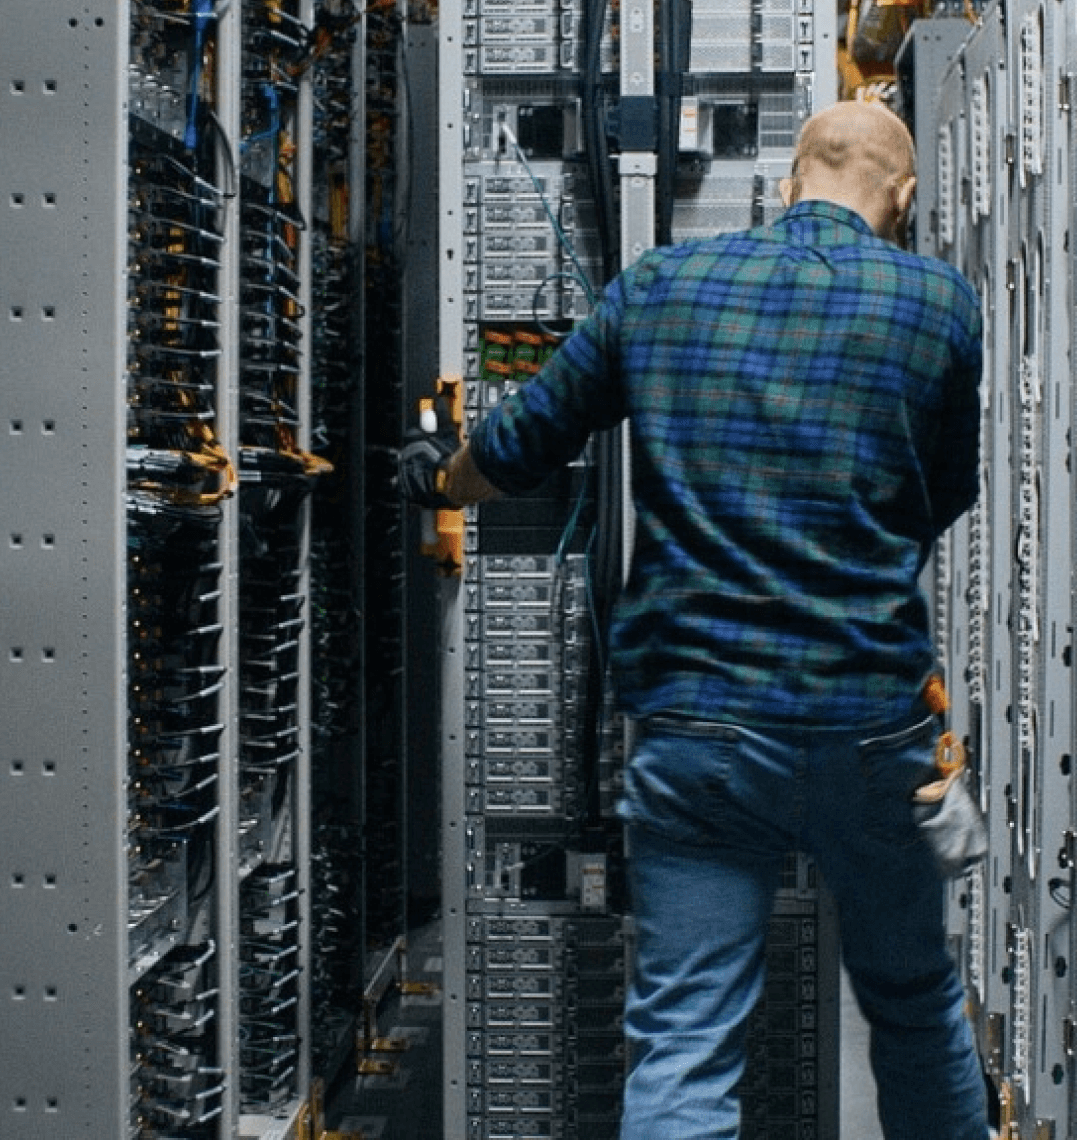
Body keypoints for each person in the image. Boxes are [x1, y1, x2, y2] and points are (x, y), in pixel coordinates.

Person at [409, 99, 988, 1140]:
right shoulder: (940, 304)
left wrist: (439, 478)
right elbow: (941, 496)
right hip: (868, 727)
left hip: (698, 732)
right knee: (913, 1002)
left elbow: (516, 447)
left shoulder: (660, 289)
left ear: (787, 183)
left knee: (684, 1037)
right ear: (902, 199)